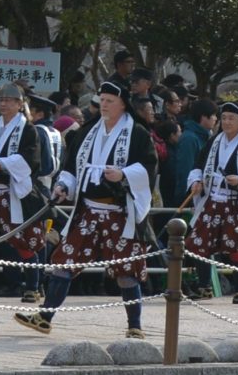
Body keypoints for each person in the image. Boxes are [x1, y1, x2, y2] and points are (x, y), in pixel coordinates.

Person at [18, 80, 159, 340]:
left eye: (110, 101)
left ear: (123, 104)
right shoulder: (88, 131)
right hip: (88, 211)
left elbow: (149, 166)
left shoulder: (137, 133)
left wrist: (124, 173)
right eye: (101, 101)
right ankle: (45, 317)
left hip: (119, 211)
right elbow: (72, 167)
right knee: (65, 261)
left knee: (126, 270)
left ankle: (135, 325)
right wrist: (63, 186)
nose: (104, 105)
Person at [0, 87, 51, 298]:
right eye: (2, 100)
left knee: (22, 240)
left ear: (19, 104)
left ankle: (33, 287)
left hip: (12, 192)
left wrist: (1, 165)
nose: (4, 104)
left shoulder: (28, 129)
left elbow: (29, 160)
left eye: (9, 100)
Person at [186, 100, 238, 300]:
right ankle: (204, 286)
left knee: (237, 245)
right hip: (212, 199)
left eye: (231, 118)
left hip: (235, 201)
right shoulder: (214, 141)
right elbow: (198, 165)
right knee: (200, 243)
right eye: (224, 118)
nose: (226, 122)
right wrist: (196, 180)